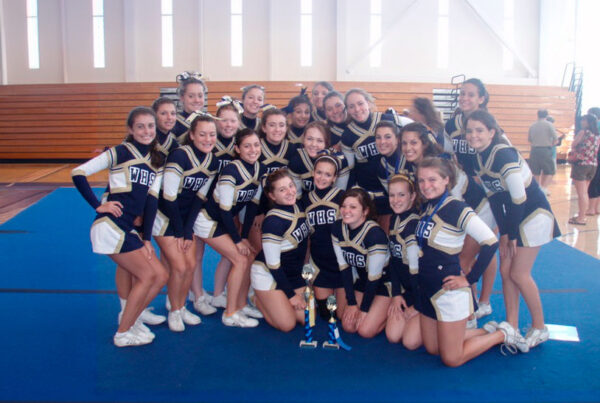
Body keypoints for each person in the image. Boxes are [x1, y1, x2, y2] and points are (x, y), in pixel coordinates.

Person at [72, 107, 169, 347]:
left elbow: (151, 201)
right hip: (111, 226)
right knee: (147, 275)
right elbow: (78, 172)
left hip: (129, 228)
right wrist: (98, 205)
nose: (146, 131)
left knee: (160, 275)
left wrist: (146, 239)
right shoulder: (120, 152)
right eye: (140, 126)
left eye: (150, 126)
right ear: (130, 129)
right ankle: (123, 332)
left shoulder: (156, 160)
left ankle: (131, 316)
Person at [465, 110, 561, 351]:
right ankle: (512, 325)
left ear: (492, 132)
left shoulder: (503, 154)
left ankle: (540, 327)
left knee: (519, 273)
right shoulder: (478, 157)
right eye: (470, 130)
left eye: (479, 130)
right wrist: (505, 234)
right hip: (514, 217)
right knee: (506, 270)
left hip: (534, 215)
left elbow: (519, 198)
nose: (474, 135)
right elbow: (496, 199)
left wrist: (512, 236)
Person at [415, 157, 517, 367]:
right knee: (432, 348)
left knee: (452, 359)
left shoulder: (457, 208)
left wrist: (469, 279)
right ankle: (485, 330)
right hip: (427, 287)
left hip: (448, 290)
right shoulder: (427, 206)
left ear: (446, 179)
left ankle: (502, 334)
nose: (426, 185)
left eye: (432, 179)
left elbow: (490, 242)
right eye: (421, 180)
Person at [153, 115, 221, 331]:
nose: (208, 139)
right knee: (180, 266)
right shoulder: (179, 156)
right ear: (192, 135)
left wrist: (188, 228)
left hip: (184, 220)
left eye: (212, 134)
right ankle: (174, 311)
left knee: (190, 265)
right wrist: (181, 231)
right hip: (164, 217)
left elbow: (199, 198)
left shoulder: (213, 161)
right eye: (202, 134)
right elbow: (169, 197)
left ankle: (181, 307)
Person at [193, 128, 266, 327]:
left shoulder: (260, 168)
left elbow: (252, 207)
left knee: (248, 256)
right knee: (240, 259)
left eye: (256, 145)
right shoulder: (231, 171)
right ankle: (230, 313)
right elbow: (225, 211)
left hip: (221, 222)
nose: (253, 150)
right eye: (247, 146)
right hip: (207, 221)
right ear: (237, 149)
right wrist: (237, 240)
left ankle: (240, 305)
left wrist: (244, 237)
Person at [250, 169, 310, 331]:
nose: (290, 192)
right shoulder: (273, 222)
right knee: (287, 324)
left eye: (291, 186)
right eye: (282, 190)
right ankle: (257, 298)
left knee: (307, 318)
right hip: (268, 273)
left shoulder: (298, 206)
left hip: (291, 273)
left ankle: (278, 300)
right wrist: (291, 296)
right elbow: (273, 265)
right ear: (272, 195)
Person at [331, 188, 391, 338]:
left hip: (383, 283)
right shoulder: (338, 228)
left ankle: (387, 312)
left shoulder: (375, 234)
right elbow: (344, 268)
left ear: (365, 211)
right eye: (344, 206)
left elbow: (374, 278)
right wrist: (351, 303)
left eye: (353, 207)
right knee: (348, 326)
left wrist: (364, 310)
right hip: (363, 282)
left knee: (365, 330)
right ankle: (375, 311)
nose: (346, 211)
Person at [208, 97, 244, 309]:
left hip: (232, 207)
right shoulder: (209, 142)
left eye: (233, 120)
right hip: (206, 207)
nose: (228, 125)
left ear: (238, 123)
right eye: (224, 120)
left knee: (230, 254)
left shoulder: (240, 145)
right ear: (216, 121)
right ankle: (196, 294)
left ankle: (219, 293)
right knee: (195, 255)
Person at [342, 88, 396, 229]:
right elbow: (350, 168)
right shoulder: (347, 134)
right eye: (351, 106)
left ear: (368, 102)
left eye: (360, 103)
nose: (357, 109)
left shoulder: (387, 119)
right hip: (369, 191)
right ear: (347, 110)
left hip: (392, 186)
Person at [301, 155, 347, 319]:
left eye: (328, 174)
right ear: (313, 173)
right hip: (319, 264)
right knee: (328, 315)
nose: (322, 178)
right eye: (319, 172)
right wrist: (306, 264)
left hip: (341, 264)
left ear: (335, 178)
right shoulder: (305, 199)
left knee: (341, 316)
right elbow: (306, 237)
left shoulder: (343, 197)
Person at [385, 174, 422, 349]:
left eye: (401, 195)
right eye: (392, 195)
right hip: (406, 290)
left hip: (424, 293)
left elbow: (420, 272)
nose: (396, 200)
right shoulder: (395, 218)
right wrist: (396, 294)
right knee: (393, 336)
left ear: (412, 196)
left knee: (410, 342)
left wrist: (417, 305)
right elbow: (394, 260)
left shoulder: (414, 225)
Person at [289, 121, 349, 198]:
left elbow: (340, 195)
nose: (314, 144)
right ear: (303, 140)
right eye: (309, 139)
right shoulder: (296, 160)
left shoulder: (340, 159)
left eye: (319, 141)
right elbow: (296, 196)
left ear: (326, 143)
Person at [445, 78, 489, 176]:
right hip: (461, 181)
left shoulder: (489, 123)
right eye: (462, 94)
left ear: (481, 99)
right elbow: (447, 156)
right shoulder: (450, 125)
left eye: (471, 95)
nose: (464, 98)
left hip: (484, 182)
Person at [568, 114, 600, 225]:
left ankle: (581, 217)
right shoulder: (597, 135)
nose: (582, 122)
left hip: (581, 164)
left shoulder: (583, 132)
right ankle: (581, 215)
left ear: (588, 122)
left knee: (582, 193)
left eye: (584, 120)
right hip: (593, 164)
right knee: (585, 192)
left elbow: (574, 144)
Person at [528, 109, 558, 195]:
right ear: (546, 115)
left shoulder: (532, 125)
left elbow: (529, 139)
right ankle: (544, 188)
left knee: (535, 171)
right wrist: (551, 144)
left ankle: (537, 189)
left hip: (534, 150)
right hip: (545, 149)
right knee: (550, 170)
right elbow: (556, 138)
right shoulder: (549, 125)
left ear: (538, 115)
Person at [173, 71, 207, 143]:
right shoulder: (174, 122)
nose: (197, 100)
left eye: (200, 96)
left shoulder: (210, 120)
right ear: (182, 97)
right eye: (191, 96)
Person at [586, 108, 600, 215]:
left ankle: (591, 208)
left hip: (596, 157)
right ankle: (596, 208)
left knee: (594, 181)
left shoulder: (595, 126)